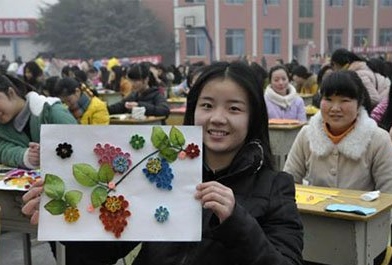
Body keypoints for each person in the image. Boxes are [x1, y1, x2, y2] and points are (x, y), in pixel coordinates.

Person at [22, 61, 304, 265]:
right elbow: (100, 254)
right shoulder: (161, 172)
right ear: (193, 111)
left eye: (234, 108)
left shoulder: (276, 187)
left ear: (253, 117)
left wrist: (236, 220)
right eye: (207, 105)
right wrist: (63, 218)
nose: (218, 118)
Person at [284, 70, 392, 193]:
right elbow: (288, 182)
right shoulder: (307, 134)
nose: (335, 108)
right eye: (328, 99)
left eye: (344, 100)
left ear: (359, 103)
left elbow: (388, 193)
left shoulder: (378, 139)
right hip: (312, 212)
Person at [0, 74, 77, 169]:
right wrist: (25, 156)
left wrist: (48, 153)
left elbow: (78, 144)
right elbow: (3, 149)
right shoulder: (3, 127)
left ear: (11, 93)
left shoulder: (51, 111)